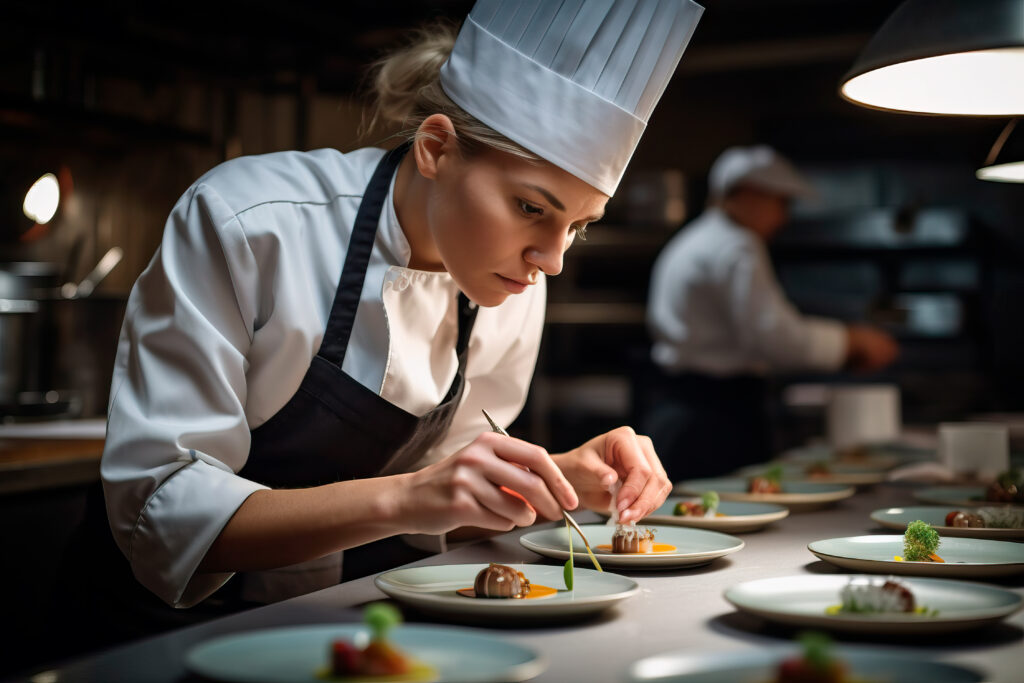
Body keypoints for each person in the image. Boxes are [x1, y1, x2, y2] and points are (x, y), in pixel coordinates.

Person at [79, 0, 705, 627]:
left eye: (579, 226)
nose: (552, 260)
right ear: (436, 147)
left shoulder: (514, 280)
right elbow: (163, 514)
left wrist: (551, 483)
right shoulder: (249, 224)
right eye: (531, 208)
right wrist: (410, 496)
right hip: (157, 634)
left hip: (354, 626)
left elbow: (452, 504)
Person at [644, 145, 899, 481]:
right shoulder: (736, 246)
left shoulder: (695, 238)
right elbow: (776, 338)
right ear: (750, 194)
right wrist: (853, 343)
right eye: (781, 203)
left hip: (677, 410)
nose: (784, 217)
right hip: (715, 420)